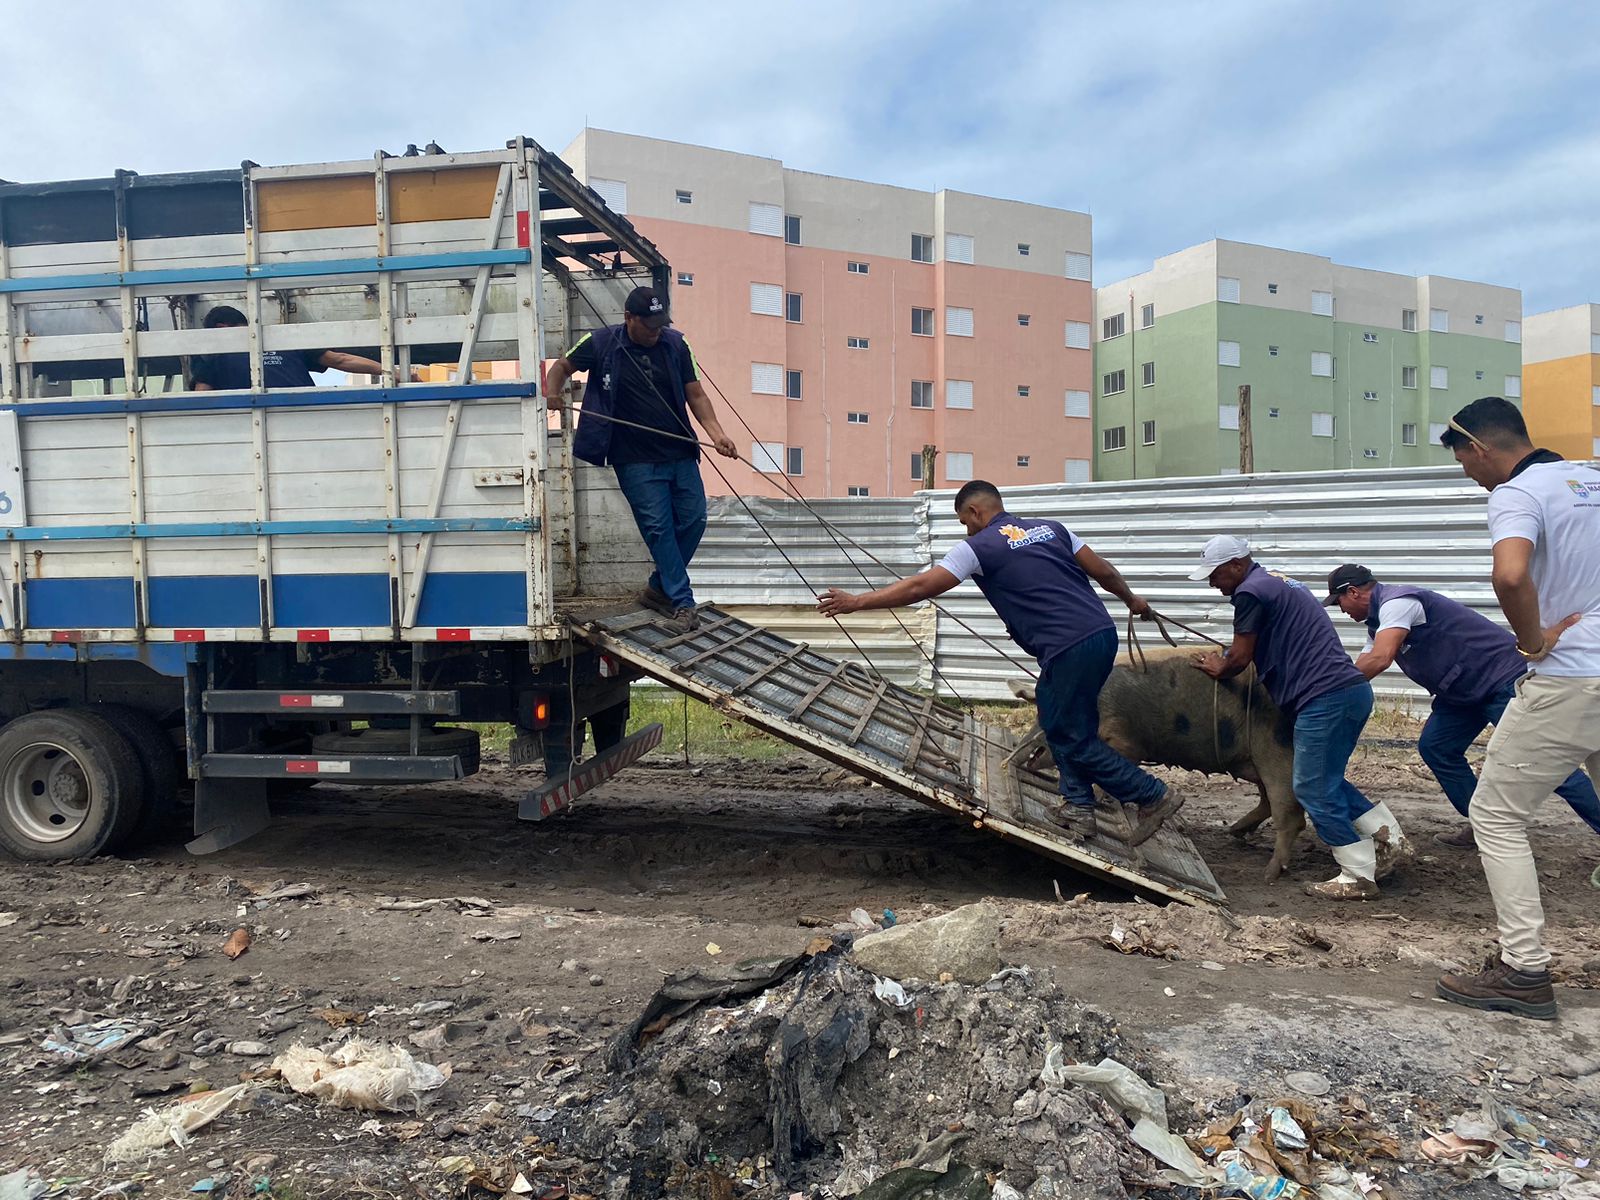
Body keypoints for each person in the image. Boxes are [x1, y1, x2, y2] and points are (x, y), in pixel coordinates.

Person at [816, 480, 1184, 843]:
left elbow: (919, 587)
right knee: (1060, 719)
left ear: (975, 512)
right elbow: (1102, 570)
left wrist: (858, 602)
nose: (967, 527)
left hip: (1068, 646)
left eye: (964, 520)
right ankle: (1078, 806)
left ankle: (1151, 795)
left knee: (1068, 734)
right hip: (1101, 634)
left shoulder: (978, 547)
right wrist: (1131, 599)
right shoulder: (1052, 529)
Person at [1433, 396, 1600, 1020]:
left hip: (1571, 677)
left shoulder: (1518, 492)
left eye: (1463, 463)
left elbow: (1510, 576)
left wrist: (1531, 641)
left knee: (1496, 816)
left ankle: (1523, 970)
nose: (1468, 476)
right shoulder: (1591, 478)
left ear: (1479, 447)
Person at [1191, 536, 1411, 900]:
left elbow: (1240, 659)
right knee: (1327, 780)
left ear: (1235, 565)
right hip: (1348, 691)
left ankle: (1357, 875)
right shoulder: (1281, 581)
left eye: (1215, 575)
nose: (1213, 584)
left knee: (1310, 787)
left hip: (1322, 698)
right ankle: (1390, 840)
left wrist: (1221, 664)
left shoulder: (1250, 592)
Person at [1325, 563, 1600, 849]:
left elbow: (1380, 659)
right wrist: (1333, 688)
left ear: (1353, 592)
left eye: (1339, 602)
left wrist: (1324, 692)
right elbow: (1360, 668)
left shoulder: (1399, 603)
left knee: (1546, 763)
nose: (1341, 611)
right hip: (1462, 695)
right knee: (1438, 748)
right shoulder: (1379, 624)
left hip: (1499, 682)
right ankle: (1484, 826)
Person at [544, 287, 737, 632]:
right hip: (634, 458)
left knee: (695, 520)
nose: (655, 331)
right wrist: (552, 394)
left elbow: (697, 394)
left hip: (679, 452)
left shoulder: (677, 344)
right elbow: (561, 366)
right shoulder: (600, 342)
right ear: (629, 318)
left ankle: (658, 588)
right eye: (649, 325)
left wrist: (717, 434)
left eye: (660, 324)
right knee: (659, 530)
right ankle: (682, 603)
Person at [191, 305, 399, 390]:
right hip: (307, 417)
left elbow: (204, 397)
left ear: (220, 328)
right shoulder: (283, 339)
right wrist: (391, 372)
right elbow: (340, 359)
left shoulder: (212, 354)